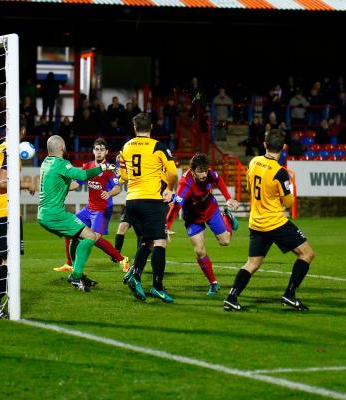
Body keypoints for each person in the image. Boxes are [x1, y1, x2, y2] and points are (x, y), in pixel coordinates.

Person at [223, 129, 315, 311]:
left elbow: (250, 186)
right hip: (275, 222)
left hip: (256, 222)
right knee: (307, 254)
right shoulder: (280, 173)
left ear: (264, 145)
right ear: (284, 148)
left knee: (253, 263)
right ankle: (289, 294)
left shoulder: (254, 162)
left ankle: (231, 297)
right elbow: (289, 203)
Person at [38, 135, 117, 292]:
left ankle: (76, 272)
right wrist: (103, 167)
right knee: (91, 237)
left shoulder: (46, 163)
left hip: (44, 214)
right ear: (61, 148)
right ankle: (76, 275)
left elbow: (65, 184)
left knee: (75, 237)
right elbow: (81, 175)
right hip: (55, 215)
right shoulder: (61, 163)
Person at [119, 113, 177, 303]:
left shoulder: (126, 147)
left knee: (146, 242)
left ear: (134, 128)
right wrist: (169, 189)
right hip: (151, 200)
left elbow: (124, 176)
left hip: (132, 201)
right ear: (151, 127)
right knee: (160, 242)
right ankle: (157, 287)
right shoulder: (158, 146)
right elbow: (173, 172)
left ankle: (135, 275)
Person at [0, 125, 35, 319]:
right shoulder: (11, 151)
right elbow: (3, 183)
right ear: (22, 131)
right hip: (7, 213)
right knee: (7, 261)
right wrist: (26, 184)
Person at [166, 153, 239, 296]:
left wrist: (229, 198)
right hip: (193, 218)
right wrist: (167, 227)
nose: (204, 174)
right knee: (199, 251)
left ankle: (227, 218)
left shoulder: (210, 174)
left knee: (225, 242)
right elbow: (175, 207)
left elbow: (219, 181)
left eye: (205, 170)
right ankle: (213, 283)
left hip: (210, 210)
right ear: (192, 171)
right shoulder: (185, 184)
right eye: (200, 171)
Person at [54, 138, 129, 273]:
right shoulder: (88, 166)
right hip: (89, 209)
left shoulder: (110, 169)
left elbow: (118, 188)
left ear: (106, 152)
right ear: (93, 151)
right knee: (69, 230)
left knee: (94, 239)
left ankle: (122, 259)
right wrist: (60, 187)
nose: (99, 152)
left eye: (102, 150)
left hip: (102, 210)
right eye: (96, 149)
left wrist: (109, 193)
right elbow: (76, 183)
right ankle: (70, 264)